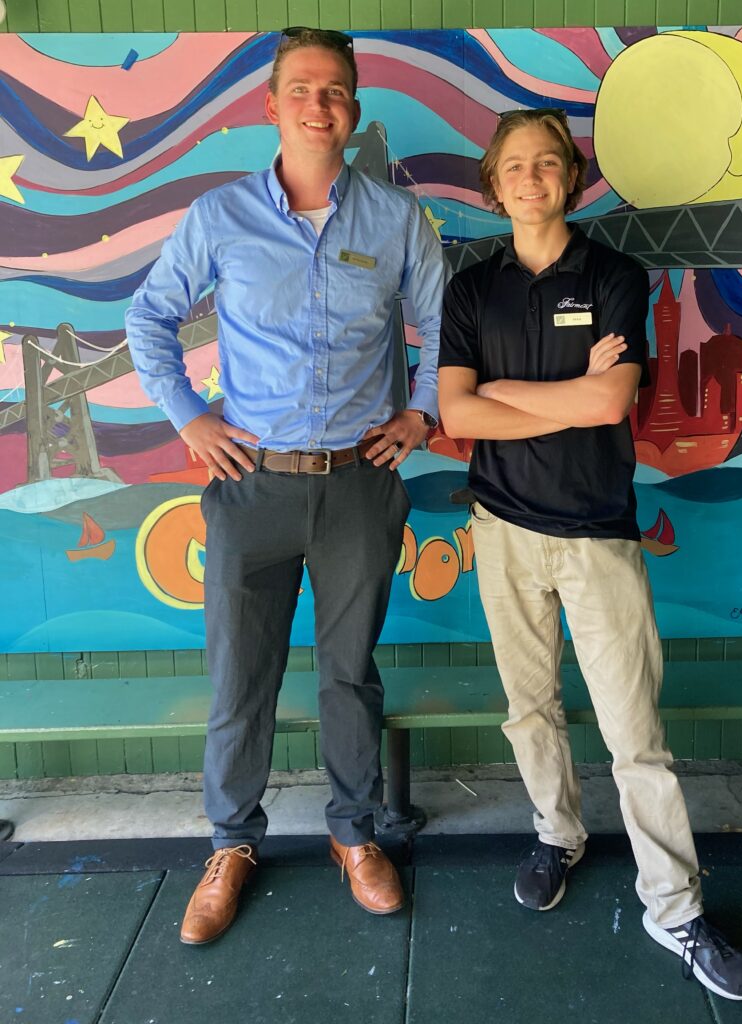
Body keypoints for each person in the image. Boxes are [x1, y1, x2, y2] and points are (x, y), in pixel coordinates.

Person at [126, 27, 447, 943]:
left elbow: (438, 326)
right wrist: (190, 418)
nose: (320, 103)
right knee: (241, 678)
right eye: (301, 88)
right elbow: (150, 318)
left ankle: (356, 833)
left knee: (350, 675)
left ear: (354, 111)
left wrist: (420, 414)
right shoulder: (220, 216)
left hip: (358, 485)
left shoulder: (396, 221)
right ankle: (231, 842)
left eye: (337, 89)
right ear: (270, 107)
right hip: (250, 485)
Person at [437, 108, 742, 1001]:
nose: (531, 177)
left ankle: (675, 908)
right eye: (514, 165)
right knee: (529, 710)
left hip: (596, 533)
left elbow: (608, 407)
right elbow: (457, 417)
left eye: (548, 163)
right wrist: (563, 390)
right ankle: (557, 834)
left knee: (635, 738)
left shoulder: (615, 273)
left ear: (570, 178)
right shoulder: (470, 289)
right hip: (500, 529)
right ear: (492, 181)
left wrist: (516, 390)